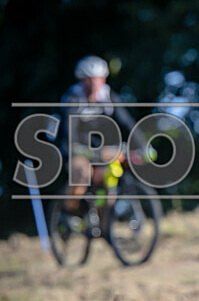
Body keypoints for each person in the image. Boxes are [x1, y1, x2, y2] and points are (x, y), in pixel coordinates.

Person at [57, 55, 144, 213]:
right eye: (89, 79)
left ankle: (102, 216)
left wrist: (143, 146)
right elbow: (69, 128)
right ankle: (70, 212)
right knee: (83, 173)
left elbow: (127, 123)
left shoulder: (109, 97)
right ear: (82, 80)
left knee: (109, 178)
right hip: (75, 148)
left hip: (100, 148)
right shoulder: (73, 97)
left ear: (104, 79)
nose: (93, 83)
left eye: (97, 79)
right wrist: (75, 147)